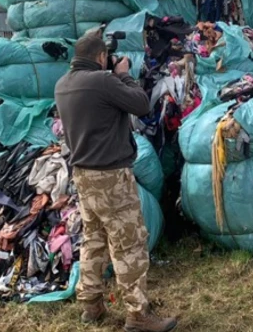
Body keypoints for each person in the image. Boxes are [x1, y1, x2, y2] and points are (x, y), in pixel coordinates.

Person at [55, 31, 177, 332]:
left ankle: (91, 305)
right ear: (100, 57)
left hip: (82, 174)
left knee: (93, 241)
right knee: (130, 244)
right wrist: (123, 75)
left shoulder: (62, 85)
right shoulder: (103, 81)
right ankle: (138, 315)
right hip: (110, 176)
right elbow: (141, 104)